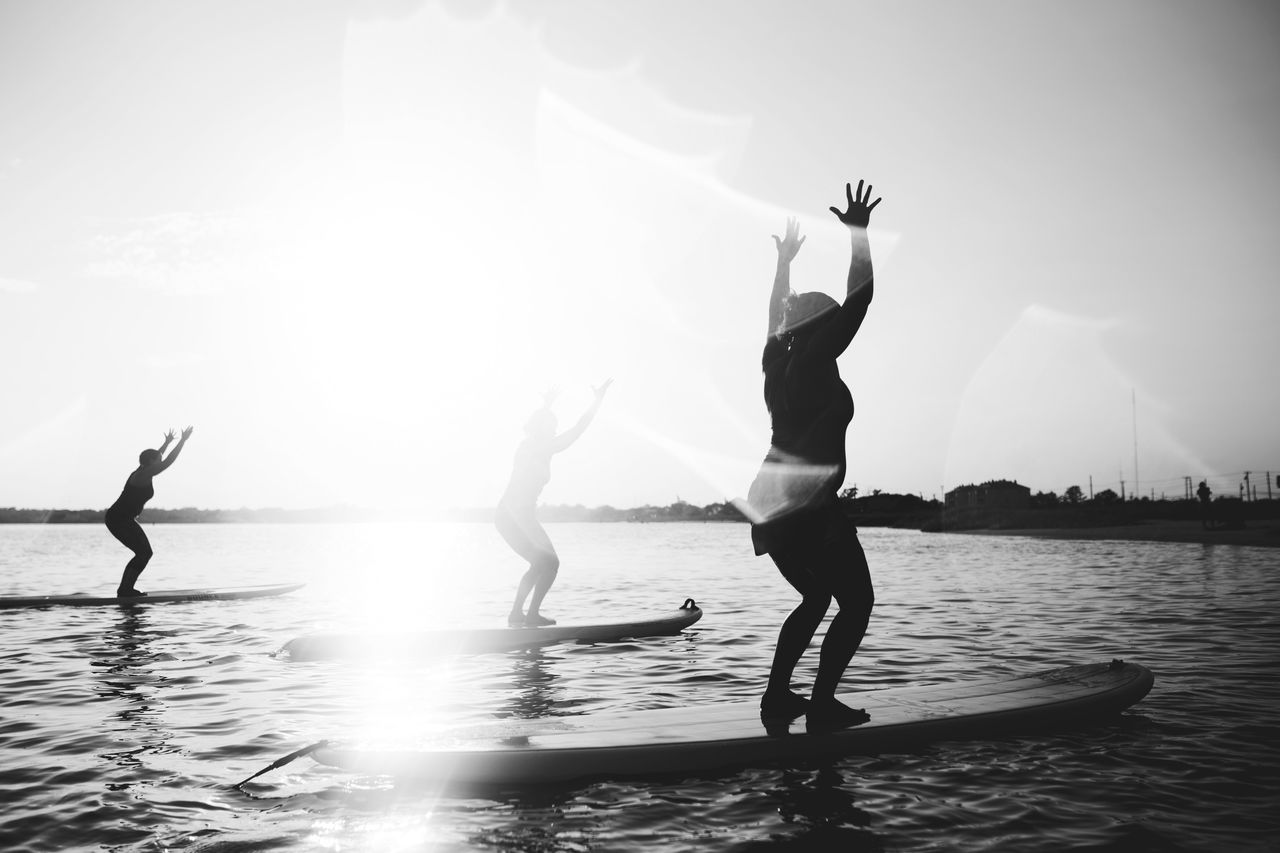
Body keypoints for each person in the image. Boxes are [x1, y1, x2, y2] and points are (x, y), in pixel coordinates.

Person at [745, 180, 881, 732]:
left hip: (773, 499)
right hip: (804, 505)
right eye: (827, 315)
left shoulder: (780, 359)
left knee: (819, 596)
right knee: (857, 601)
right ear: (818, 328)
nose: (836, 320)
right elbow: (861, 299)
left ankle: (780, 697)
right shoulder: (813, 356)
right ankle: (820, 705)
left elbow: (777, 313)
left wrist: (783, 266)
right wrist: (858, 236)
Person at [497, 382, 612, 627]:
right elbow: (577, 429)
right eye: (552, 427)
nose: (555, 431)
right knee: (550, 563)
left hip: (516, 516)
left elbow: (541, 424)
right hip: (513, 517)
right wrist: (597, 401)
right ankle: (529, 616)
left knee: (542, 563)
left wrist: (547, 405)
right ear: (542, 429)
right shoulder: (537, 446)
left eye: (555, 427)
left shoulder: (534, 445)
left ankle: (519, 615)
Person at [104, 426, 193, 597]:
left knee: (144, 553)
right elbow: (166, 462)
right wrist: (182, 441)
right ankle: (125, 590)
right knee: (144, 553)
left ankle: (125, 589)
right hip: (118, 519)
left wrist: (166, 443)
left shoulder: (144, 469)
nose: (159, 462)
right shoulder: (142, 475)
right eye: (156, 460)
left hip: (122, 519)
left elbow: (157, 456)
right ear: (151, 462)